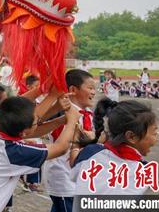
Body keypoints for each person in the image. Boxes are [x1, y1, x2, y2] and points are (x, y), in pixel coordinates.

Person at [0, 95, 80, 212]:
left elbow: (28, 125)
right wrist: (72, 120)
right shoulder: (15, 153)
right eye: (36, 121)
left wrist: (58, 114)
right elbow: (60, 147)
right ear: (23, 132)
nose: (38, 120)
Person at [71, 100, 158, 199]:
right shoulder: (141, 172)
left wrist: (76, 143)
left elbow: (74, 172)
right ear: (131, 137)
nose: (156, 139)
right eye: (154, 134)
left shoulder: (91, 152)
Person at [44, 69, 96, 212]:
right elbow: (64, 143)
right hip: (64, 178)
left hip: (78, 177)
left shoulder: (88, 114)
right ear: (73, 89)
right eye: (90, 88)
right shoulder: (64, 113)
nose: (93, 92)